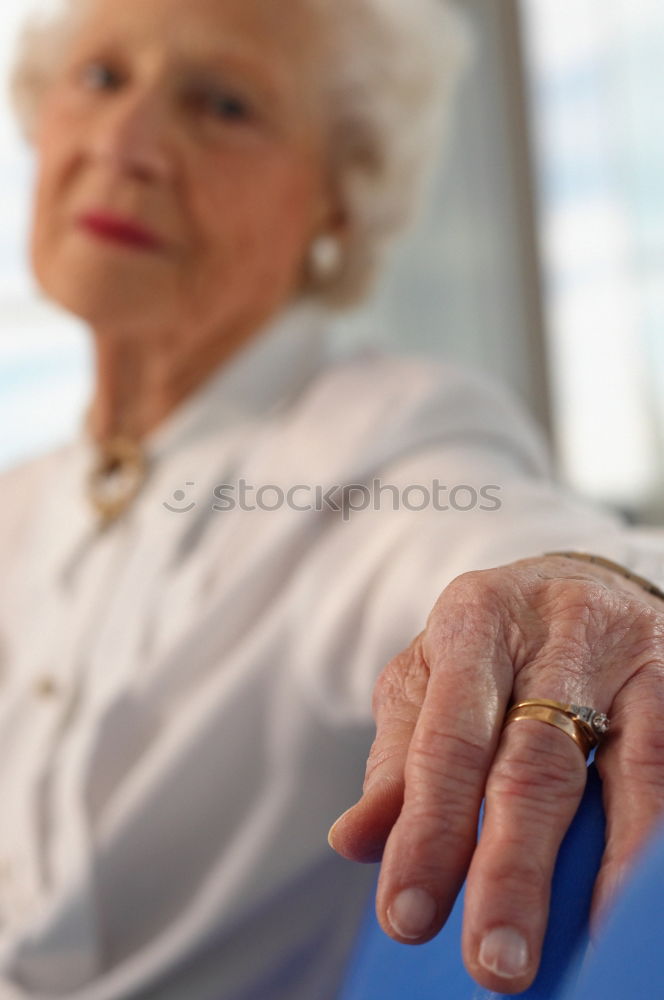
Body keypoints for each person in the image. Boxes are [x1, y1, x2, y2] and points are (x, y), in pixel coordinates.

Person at [2, 0, 664, 997]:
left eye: (221, 104)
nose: (124, 143)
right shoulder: (20, 503)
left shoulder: (382, 433)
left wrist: (592, 585)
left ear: (339, 195)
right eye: (99, 78)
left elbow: (531, 547)